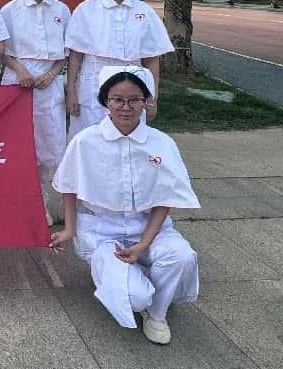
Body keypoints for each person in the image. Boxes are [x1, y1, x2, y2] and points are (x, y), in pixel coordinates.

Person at [49, 66, 200, 344]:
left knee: (182, 257)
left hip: (147, 227)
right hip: (103, 232)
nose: (126, 107)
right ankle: (131, 281)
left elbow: (163, 199)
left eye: (134, 100)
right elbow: (68, 187)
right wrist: (69, 230)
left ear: (146, 102)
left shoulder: (161, 143)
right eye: (117, 99)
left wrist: (143, 244)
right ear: (106, 101)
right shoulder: (86, 141)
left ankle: (157, 314)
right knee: (135, 296)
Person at [65, 0, 174, 141]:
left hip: (133, 84)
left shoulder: (144, 12)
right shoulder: (86, 10)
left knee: (128, 140)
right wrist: (71, 91)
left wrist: (152, 98)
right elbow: (75, 55)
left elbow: (151, 59)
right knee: (89, 139)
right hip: (92, 84)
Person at [0, 0, 71, 225]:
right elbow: (1, 50)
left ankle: (41, 202)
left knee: (46, 145)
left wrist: (52, 73)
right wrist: (21, 71)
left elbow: (67, 52)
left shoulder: (62, 11)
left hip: (49, 85)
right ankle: (17, 202)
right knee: (18, 143)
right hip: (17, 84)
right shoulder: (10, 10)